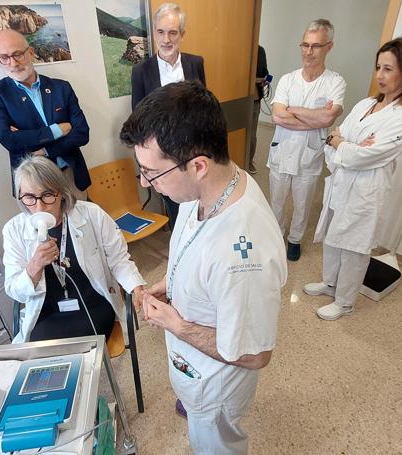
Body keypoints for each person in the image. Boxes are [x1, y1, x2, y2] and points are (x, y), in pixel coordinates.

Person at [120, 81, 287, 454]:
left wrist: (175, 324)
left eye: (152, 173)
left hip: (217, 385)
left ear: (197, 165)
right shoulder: (209, 186)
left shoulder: (243, 256)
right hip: (192, 368)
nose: (146, 183)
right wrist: (169, 281)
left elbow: (256, 355)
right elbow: (192, 249)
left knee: (214, 443)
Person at [305, 36, 402, 321]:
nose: (379, 76)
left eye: (388, 69)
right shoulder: (365, 104)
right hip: (341, 182)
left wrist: (345, 145)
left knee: (354, 247)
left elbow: (366, 156)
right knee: (334, 238)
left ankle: (345, 301)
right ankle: (331, 283)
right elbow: (333, 138)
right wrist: (345, 145)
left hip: (366, 192)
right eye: (378, 67)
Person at [2, 156, 146, 343]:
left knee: (76, 348)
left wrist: (137, 288)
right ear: (20, 196)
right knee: (44, 352)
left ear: (61, 192)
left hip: (92, 303)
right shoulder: (13, 230)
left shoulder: (92, 214)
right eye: (29, 197)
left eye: (47, 194)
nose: (39, 206)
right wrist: (34, 266)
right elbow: (15, 290)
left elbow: (118, 260)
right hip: (47, 312)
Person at [268, 19, 346, 261]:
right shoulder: (288, 80)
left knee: (302, 203)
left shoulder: (336, 82)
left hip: (309, 155)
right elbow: (277, 116)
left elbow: (328, 118)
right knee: (277, 201)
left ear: (329, 47)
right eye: (305, 45)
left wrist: (294, 109)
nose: (308, 52)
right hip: (282, 151)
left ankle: (294, 240)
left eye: (315, 46)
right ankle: (276, 235)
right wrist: (316, 116)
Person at [0, 29, 90, 199]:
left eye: (17, 54)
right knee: (47, 225)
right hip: (33, 180)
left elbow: (82, 133)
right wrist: (58, 130)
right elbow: (9, 140)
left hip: (70, 173)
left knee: (83, 222)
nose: (13, 63)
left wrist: (45, 149)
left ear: (30, 52)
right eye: (4, 57)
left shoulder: (61, 87)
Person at [131, 2, 206, 230]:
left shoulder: (196, 63)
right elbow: (138, 118)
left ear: (182, 34)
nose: (166, 39)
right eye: (161, 32)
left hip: (195, 152)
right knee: (177, 213)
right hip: (164, 158)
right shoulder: (141, 71)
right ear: (155, 33)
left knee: (201, 206)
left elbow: (204, 106)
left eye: (173, 32)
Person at [248, 45, 269, 174]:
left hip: (254, 99)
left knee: (251, 135)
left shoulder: (260, 50)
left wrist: (265, 80)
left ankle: (249, 161)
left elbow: (265, 72)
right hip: (235, 99)